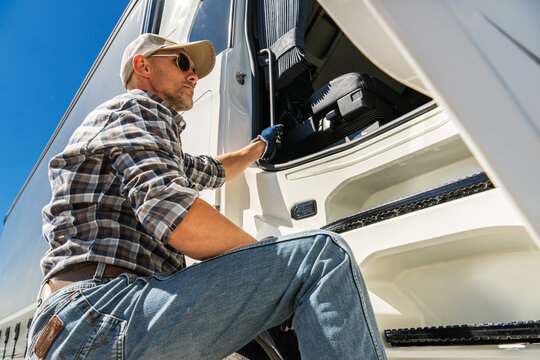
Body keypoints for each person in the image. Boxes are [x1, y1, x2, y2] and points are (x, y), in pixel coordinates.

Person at [26, 33, 387, 360]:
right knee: (322, 258)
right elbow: (174, 215)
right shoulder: (139, 108)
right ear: (143, 65)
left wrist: (259, 146)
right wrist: (275, 273)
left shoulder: (134, 138)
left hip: (75, 327)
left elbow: (212, 170)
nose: (194, 75)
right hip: (103, 313)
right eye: (182, 62)